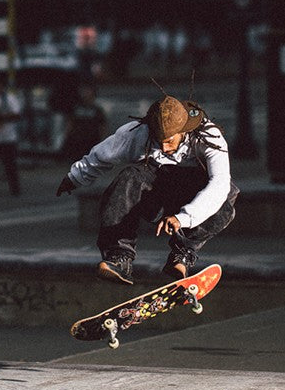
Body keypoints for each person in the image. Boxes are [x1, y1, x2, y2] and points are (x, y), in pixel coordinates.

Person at [56, 94, 238, 285]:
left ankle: (182, 254)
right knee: (129, 177)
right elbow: (101, 155)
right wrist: (74, 177)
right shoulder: (137, 133)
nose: (164, 147)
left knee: (227, 198)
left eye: (170, 141)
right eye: (159, 141)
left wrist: (184, 218)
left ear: (184, 131)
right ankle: (119, 257)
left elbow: (219, 183)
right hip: (156, 193)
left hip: (191, 195)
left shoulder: (208, 136)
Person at [60, 83, 108, 162]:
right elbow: (70, 123)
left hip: (91, 139)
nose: (86, 95)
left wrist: (102, 140)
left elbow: (102, 126)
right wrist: (67, 135)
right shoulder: (76, 109)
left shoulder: (97, 110)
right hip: (78, 139)